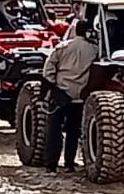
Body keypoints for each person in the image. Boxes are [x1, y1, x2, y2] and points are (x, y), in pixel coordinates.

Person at [40, 17, 99, 173]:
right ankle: (69, 164)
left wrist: (50, 87)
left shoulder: (62, 47)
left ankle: (51, 165)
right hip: (80, 96)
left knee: (54, 130)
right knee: (74, 131)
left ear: (75, 30)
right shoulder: (95, 50)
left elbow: (48, 67)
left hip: (60, 93)